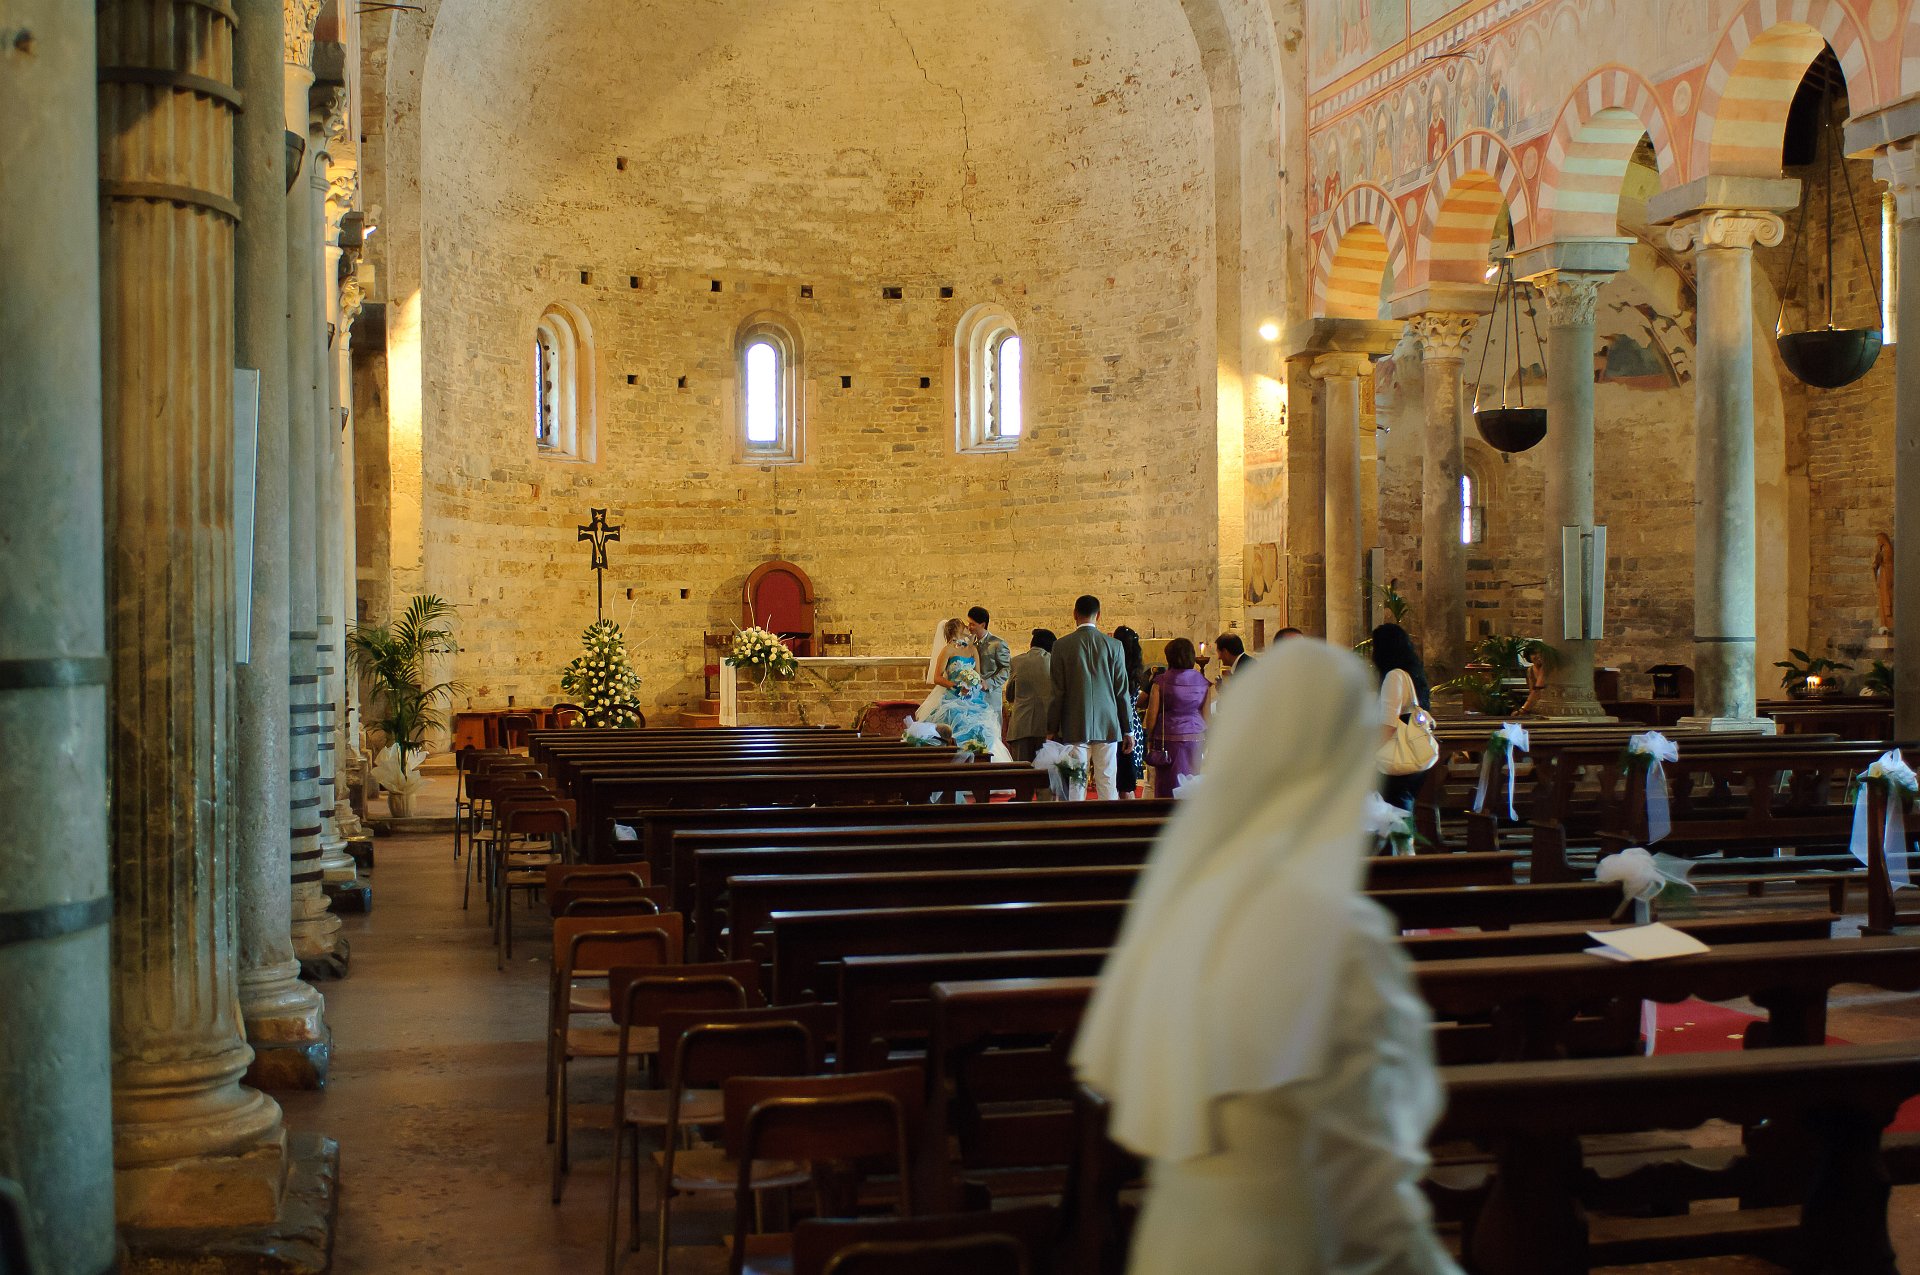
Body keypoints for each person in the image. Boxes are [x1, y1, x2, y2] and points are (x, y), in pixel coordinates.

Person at [1071, 640, 1462, 1275]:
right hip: (1291, 1249)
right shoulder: (1338, 935)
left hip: (1174, 1245)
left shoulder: (1188, 903)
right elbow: (1369, 1194)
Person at [1048, 595, 1133, 801]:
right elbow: (1122, 691)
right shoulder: (1114, 645)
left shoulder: (1061, 646)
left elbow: (1057, 692)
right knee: (1107, 781)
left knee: (1076, 783)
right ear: (1099, 615)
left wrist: (1051, 728)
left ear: (1074, 614)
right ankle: (1108, 820)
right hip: (1108, 723)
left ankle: (1077, 821)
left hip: (1075, 722)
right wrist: (1128, 728)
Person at [920, 617, 1012, 761]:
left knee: (981, 730)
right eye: (963, 625)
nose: (967, 628)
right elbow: (937, 678)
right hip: (954, 698)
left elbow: (978, 674)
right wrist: (956, 686)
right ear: (956, 629)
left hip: (973, 699)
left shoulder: (972, 649)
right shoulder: (948, 650)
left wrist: (973, 683)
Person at [1370, 622, 1432, 811]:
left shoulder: (1394, 676)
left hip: (1397, 760)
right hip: (1413, 759)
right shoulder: (1412, 674)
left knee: (1394, 812)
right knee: (1403, 809)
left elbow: (1389, 724)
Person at [1143, 637, 1210, 797]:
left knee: (1167, 784)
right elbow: (1206, 716)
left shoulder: (1161, 681)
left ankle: (1165, 810)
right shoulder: (1203, 682)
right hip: (1195, 738)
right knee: (1192, 782)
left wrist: (1149, 738)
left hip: (1168, 738)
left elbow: (1152, 715)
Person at [1004, 629, 1056, 762]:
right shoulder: (1054, 661)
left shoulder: (1016, 661)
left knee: (1021, 771)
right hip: (1046, 727)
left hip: (1021, 726)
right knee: (1045, 771)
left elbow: (1009, 695)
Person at [1112, 626, 1147, 799]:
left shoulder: (1115, 667)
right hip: (1134, 724)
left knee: (1121, 780)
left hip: (1118, 724)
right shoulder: (1136, 669)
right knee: (1128, 781)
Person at [968, 606, 1011, 720]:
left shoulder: (998, 643)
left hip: (990, 696)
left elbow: (1007, 669)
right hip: (971, 697)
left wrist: (989, 683)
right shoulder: (970, 644)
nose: (969, 627)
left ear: (982, 625)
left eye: (972, 624)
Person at [1515, 644, 1548, 715]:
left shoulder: (1547, 668)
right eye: (1534, 653)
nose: (1538, 656)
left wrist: (1523, 709)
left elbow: (1538, 690)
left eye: (1541, 653)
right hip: (1536, 705)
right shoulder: (1530, 670)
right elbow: (1532, 692)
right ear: (1528, 656)